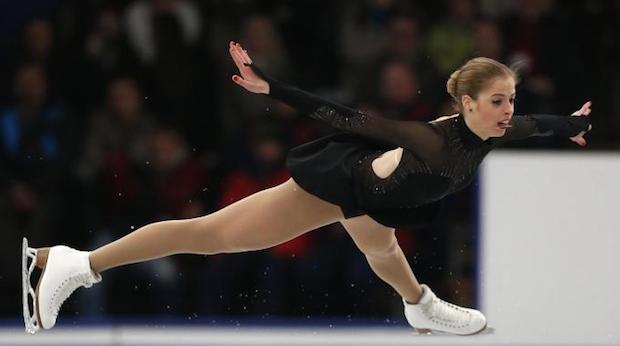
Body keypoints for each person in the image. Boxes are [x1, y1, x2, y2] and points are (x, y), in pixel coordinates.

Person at [22, 41, 592, 336]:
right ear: (466, 104)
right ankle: (76, 265)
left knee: (382, 248)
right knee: (212, 235)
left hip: (376, 201)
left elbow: (540, 124)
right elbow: (344, 116)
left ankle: (420, 309)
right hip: (338, 186)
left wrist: (574, 125)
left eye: (510, 100)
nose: (508, 111)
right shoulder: (429, 140)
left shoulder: (493, 129)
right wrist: (273, 87)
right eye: (498, 102)